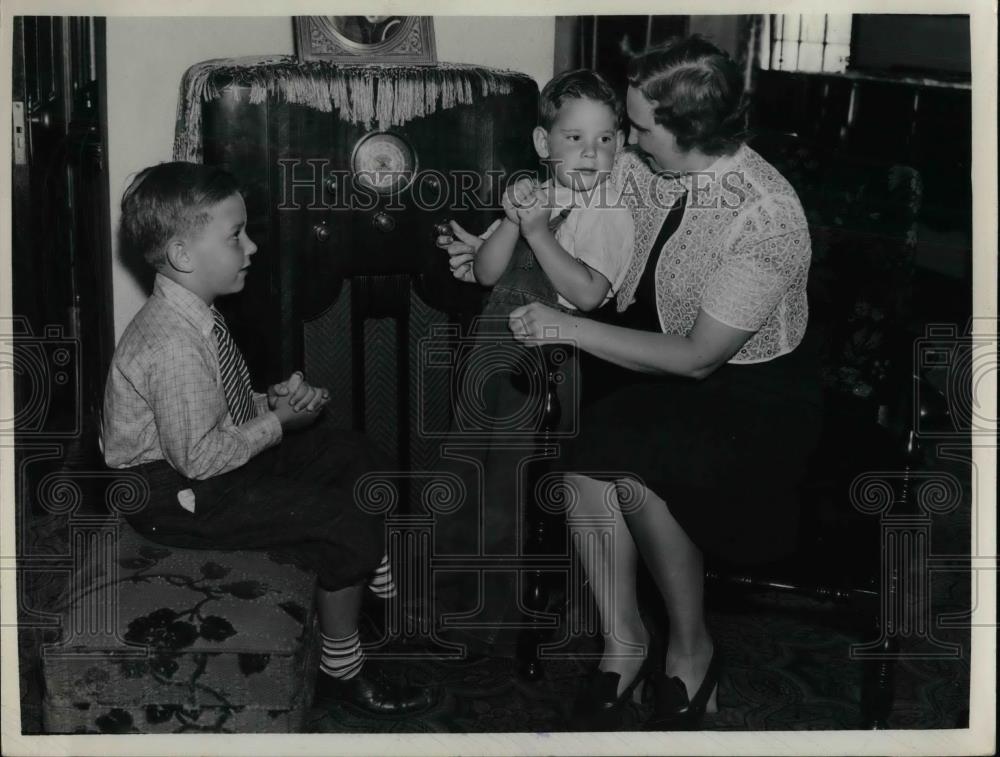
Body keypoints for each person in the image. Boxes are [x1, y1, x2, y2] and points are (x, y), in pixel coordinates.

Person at [440, 36, 822, 730]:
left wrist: (570, 330)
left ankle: (691, 646)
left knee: (642, 463)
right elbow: (571, 188)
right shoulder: (650, 167)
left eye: (640, 130)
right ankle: (624, 640)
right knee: (590, 456)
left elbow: (700, 358)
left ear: (687, 132)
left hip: (753, 393)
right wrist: (502, 239)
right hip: (660, 366)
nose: (630, 144)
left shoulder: (766, 216)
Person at [103, 161, 434, 717]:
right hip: (172, 495)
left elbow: (210, 412)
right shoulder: (173, 344)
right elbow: (201, 457)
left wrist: (268, 404)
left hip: (201, 466)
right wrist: (279, 424)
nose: (251, 246)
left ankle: (360, 586)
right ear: (184, 256)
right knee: (344, 520)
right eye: (235, 235)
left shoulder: (193, 316)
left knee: (359, 455)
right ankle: (342, 672)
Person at [431, 70, 634, 653]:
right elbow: (490, 273)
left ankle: (500, 618)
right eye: (574, 139)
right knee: (465, 471)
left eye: (604, 139)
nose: (590, 154)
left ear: (619, 145)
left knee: (513, 487)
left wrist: (540, 232)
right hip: (491, 353)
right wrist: (513, 219)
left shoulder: (608, 211)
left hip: (548, 365)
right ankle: (452, 600)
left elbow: (590, 293)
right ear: (545, 145)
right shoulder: (533, 196)